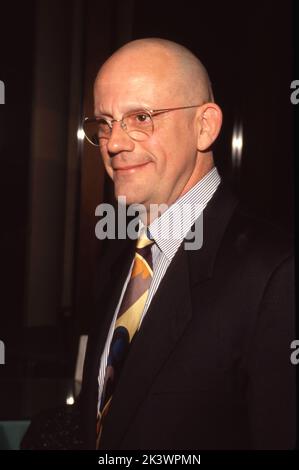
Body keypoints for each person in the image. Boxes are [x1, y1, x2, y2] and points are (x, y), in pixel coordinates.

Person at [22, 37, 296, 450]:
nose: (114, 143)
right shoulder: (121, 251)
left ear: (204, 126)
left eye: (141, 117)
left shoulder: (275, 274)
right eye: (105, 122)